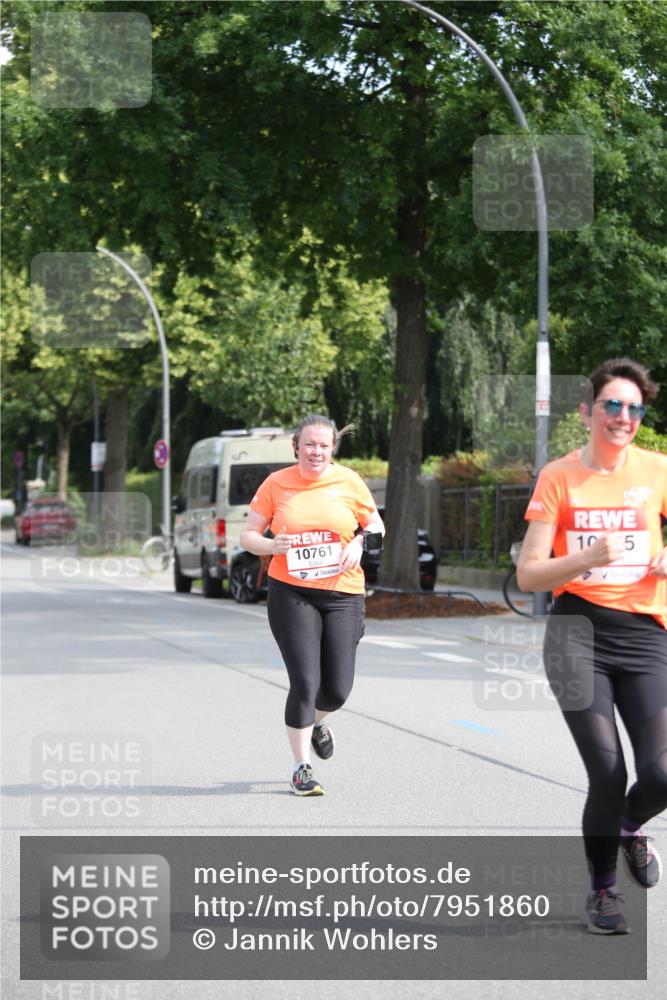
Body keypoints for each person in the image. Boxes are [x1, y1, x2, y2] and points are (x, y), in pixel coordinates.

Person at [517, 357, 667, 934]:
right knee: (606, 773)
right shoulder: (559, 476)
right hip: (577, 633)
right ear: (587, 413)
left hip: (646, 633)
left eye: (634, 408)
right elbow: (530, 575)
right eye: (613, 405)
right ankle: (604, 892)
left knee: (659, 774)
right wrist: (586, 558)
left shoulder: (656, 470)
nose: (624, 416)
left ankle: (631, 825)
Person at [240, 414, 384, 796]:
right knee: (305, 681)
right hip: (292, 592)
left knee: (336, 690)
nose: (316, 451)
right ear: (296, 447)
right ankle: (301, 768)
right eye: (309, 445)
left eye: (323, 445)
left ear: (332, 448)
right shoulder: (277, 484)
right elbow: (248, 535)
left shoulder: (349, 481)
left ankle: (318, 721)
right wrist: (271, 546)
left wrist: (358, 543)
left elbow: (376, 528)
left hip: (343, 594)